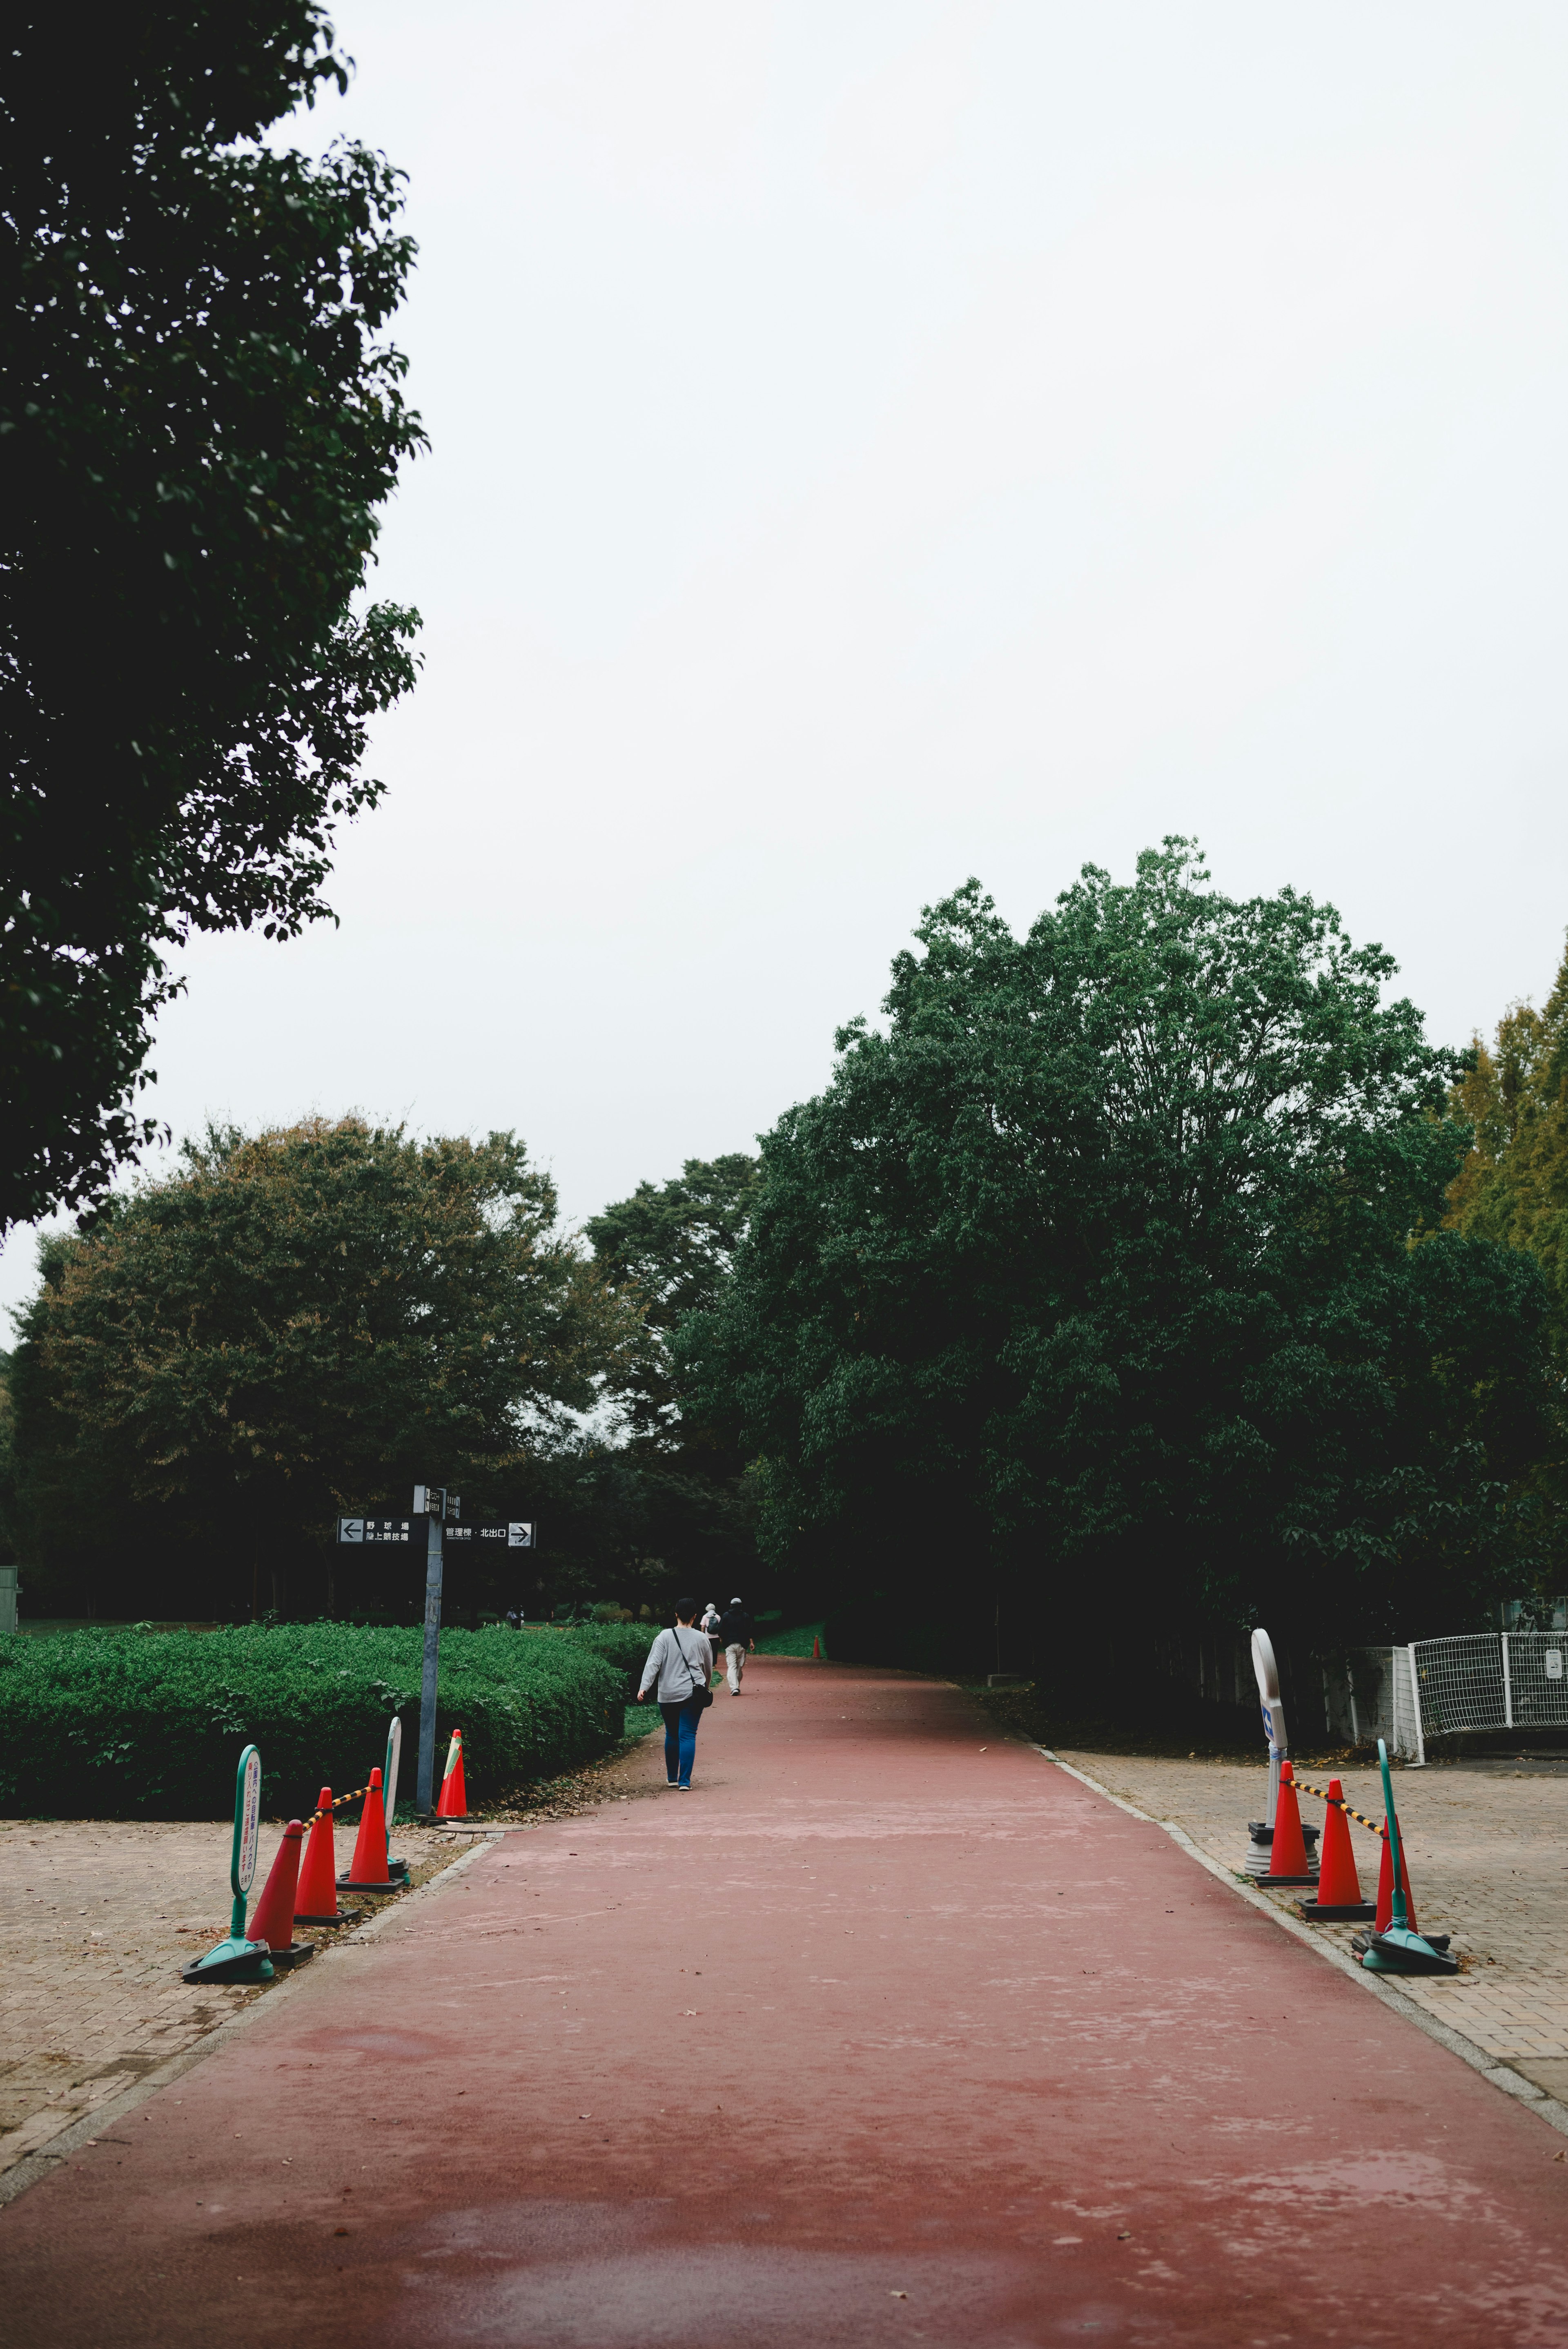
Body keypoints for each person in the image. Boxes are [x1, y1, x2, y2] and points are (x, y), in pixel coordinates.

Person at [636, 1597, 713, 1789]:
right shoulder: (701, 1638)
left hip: (668, 1694)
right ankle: (685, 1782)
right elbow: (708, 1667)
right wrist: (707, 1687)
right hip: (693, 1694)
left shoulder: (664, 1636)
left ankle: (672, 1778)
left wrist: (644, 1687)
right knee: (687, 1735)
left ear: (676, 1614)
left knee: (672, 1734)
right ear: (695, 1617)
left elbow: (653, 1663)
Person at [717, 1594, 755, 1694]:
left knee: (732, 1666)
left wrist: (722, 1639)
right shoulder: (746, 1616)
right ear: (741, 1606)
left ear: (731, 1606)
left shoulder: (725, 1616)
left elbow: (720, 1630)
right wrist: (751, 1642)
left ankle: (735, 1687)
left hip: (730, 1645)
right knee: (739, 1667)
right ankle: (736, 1687)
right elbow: (750, 1630)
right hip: (742, 1645)